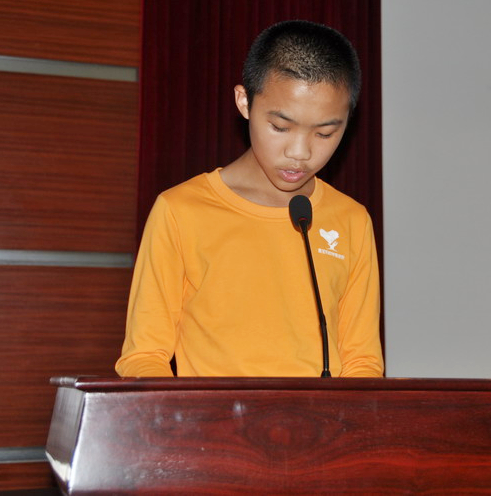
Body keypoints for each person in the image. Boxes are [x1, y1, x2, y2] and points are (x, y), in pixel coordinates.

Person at [115, 20, 383, 378]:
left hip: (321, 416)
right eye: (280, 127)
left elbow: (362, 363)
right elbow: (144, 356)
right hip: (212, 417)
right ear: (244, 102)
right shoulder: (180, 211)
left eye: (324, 133)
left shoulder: (351, 220)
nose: (300, 152)